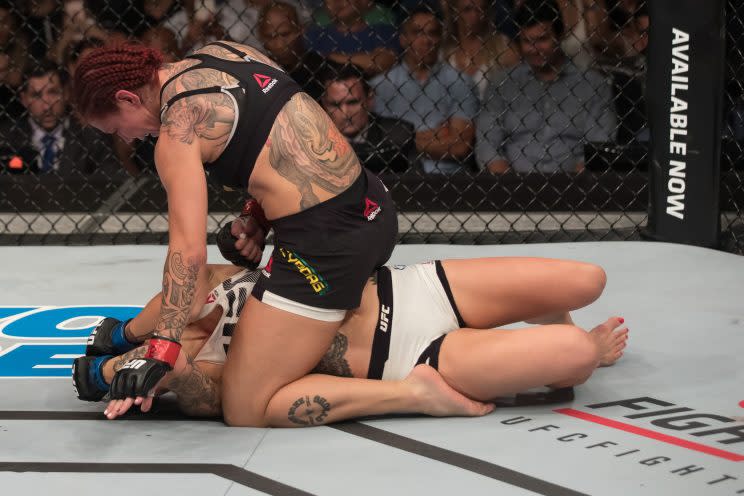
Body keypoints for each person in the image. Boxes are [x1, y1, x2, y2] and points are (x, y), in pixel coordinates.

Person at [71, 40, 406, 428]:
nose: (127, 139)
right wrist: (257, 215)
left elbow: (187, 253)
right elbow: (290, 131)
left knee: (243, 406)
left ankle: (415, 393)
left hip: (330, 249)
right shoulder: (223, 51)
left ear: (128, 98)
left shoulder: (177, 134)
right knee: (206, 296)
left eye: (116, 128)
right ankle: (125, 338)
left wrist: (162, 348)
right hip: (373, 204)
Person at [74, 256, 627, 425]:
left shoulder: (204, 291)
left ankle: (537, 320)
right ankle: (554, 349)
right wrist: (166, 371)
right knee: (578, 358)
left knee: (589, 281)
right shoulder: (218, 379)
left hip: (414, 292)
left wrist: (129, 334)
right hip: (411, 358)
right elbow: (207, 394)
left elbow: (189, 276)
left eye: (133, 354)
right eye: (136, 363)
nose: (143, 357)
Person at [475, 0, 617, 174]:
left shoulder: (593, 85)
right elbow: (487, 144)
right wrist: (510, 186)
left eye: (542, 39)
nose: (534, 49)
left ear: (560, 36)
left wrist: (575, 187)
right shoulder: (502, 84)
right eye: (527, 41)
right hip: (511, 188)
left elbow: (598, 148)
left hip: (575, 189)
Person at [371, 7, 479, 174]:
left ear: (440, 38)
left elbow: (459, 147)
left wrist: (403, 139)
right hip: (398, 177)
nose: (426, 40)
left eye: (432, 33)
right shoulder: (381, 86)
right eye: (417, 33)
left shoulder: (461, 82)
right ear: (403, 39)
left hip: (450, 177)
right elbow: (378, 145)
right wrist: (438, 136)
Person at [0, 61, 119, 175]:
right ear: (24, 99)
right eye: (36, 95)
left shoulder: (91, 137)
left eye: (53, 93)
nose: (46, 106)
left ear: (66, 93)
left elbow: (113, 183)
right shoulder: (5, 137)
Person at [319, 64, 415, 173]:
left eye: (352, 102)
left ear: (369, 99)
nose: (345, 114)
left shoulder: (398, 135)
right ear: (324, 104)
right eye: (335, 105)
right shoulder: (311, 142)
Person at [257, 1, 337, 100]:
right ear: (260, 35)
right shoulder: (258, 72)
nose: (279, 44)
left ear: (300, 30)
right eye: (270, 36)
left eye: (285, 34)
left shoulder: (323, 69)